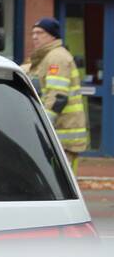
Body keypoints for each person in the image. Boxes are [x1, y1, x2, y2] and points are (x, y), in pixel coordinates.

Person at [23, 17, 89, 172]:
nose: (34, 37)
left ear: (52, 35)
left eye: (40, 32)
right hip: (59, 136)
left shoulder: (56, 57)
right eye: (33, 33)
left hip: (63, 135)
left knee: (63, 186)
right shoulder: (45, 57)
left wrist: (44, 124)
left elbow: (58, 96)